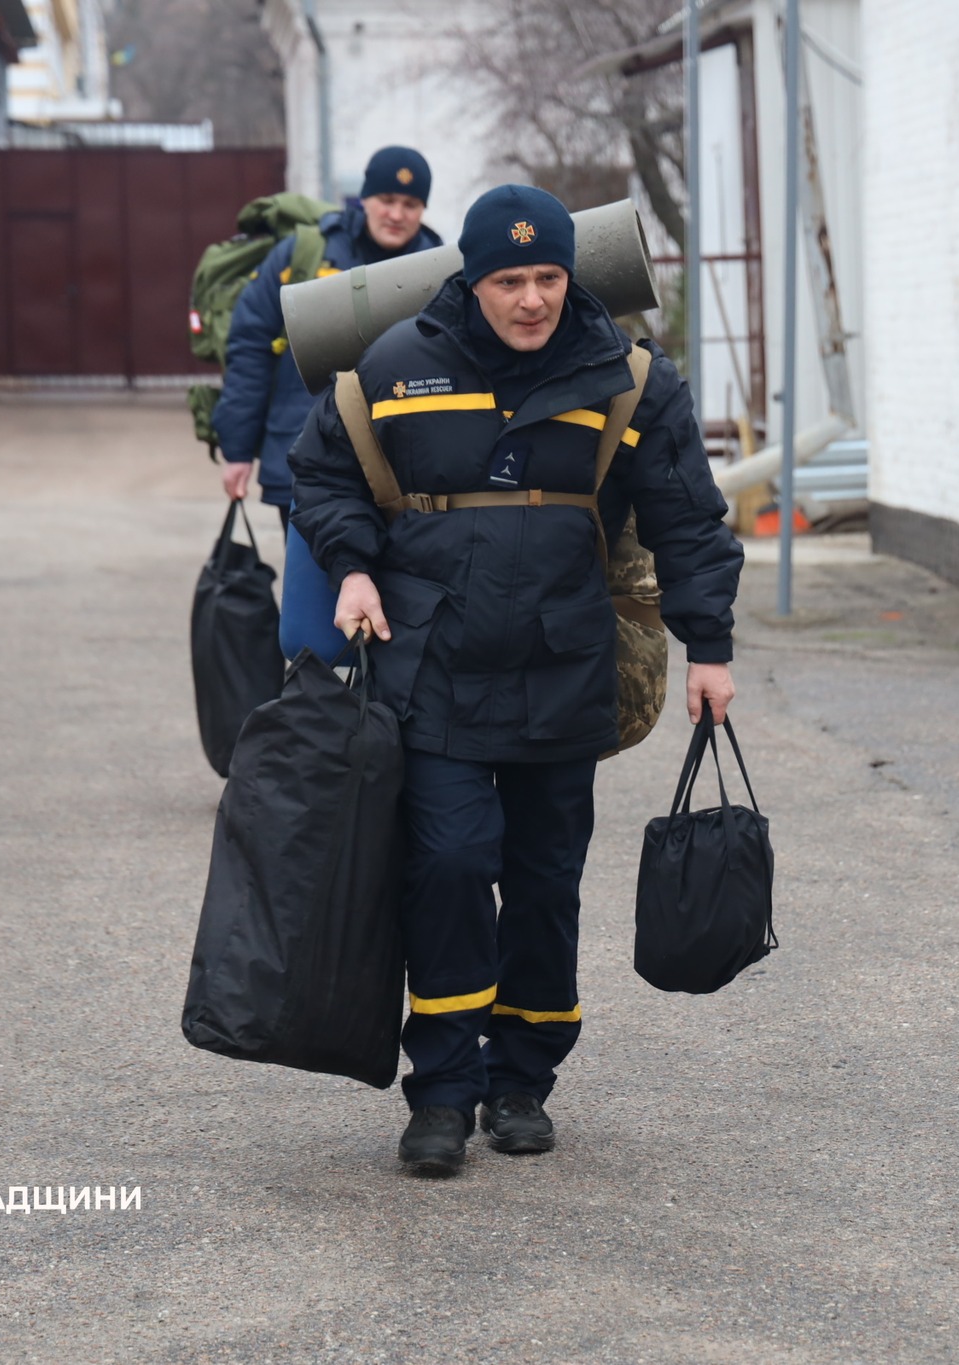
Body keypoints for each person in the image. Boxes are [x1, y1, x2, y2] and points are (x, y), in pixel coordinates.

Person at [290, 184, 743, 1176]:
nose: (531, 300)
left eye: (547, 278)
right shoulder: (400, 364)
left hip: (561, 670)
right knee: (447, 869)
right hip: (433, 669)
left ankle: (522, 1077)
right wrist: (356, 565)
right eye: (508, 280)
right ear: (473, 281)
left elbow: (685, 516)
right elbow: (322, 474)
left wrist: (708, 647)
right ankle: (442, 1092)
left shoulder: (623, 379)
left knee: (544, 882)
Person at [214, 146, 444, 522]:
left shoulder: (437, 269)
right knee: (313, 580)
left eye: (411, 204)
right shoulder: (303, 254)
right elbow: (250, 349)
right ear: (365, 198)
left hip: (405, 469)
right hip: (305, 456)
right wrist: (237, 450)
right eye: (387, 200)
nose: (396, 215)